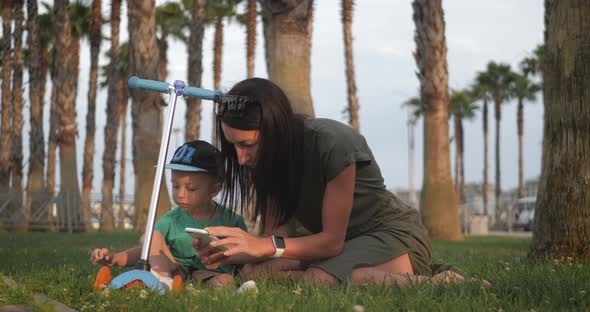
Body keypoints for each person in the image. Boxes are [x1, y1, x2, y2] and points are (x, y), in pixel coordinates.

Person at [194, 78, 468, 287]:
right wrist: (232, 251)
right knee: (261, 273)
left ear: (275, 129)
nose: (240, 159)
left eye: (247, 145)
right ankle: (365, 270)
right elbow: (275, 238)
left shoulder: (333, 143)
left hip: (391, 233)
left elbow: (331, 243)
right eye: (234, 146)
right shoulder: (263, 161)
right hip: (335, 244)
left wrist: (263, 247)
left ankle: (438, 281)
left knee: (317, 279)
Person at [90, 140, 248, 290]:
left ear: (214, 189)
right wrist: (116, 258)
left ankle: (239, 290)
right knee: (150, 237)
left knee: (226, 281)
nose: (180, 194)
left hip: (211, 274)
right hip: (174, 270)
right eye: (175, 185)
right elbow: (147, 251)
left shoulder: (232, 221)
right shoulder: (170, 220)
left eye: (191, 188)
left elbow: (245, 257)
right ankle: (164, 282)